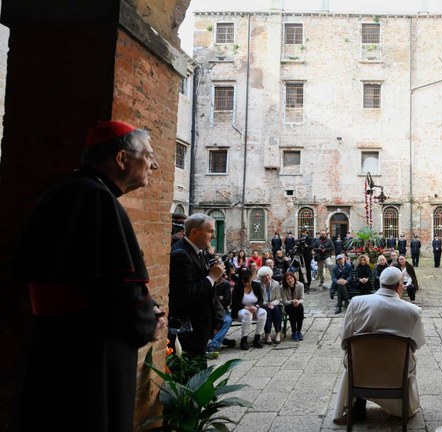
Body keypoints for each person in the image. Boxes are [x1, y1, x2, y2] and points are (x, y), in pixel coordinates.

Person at [12, 120, 166, 432]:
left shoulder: (73, 190)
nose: (154, 165)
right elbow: (115, 288)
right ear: (121, 159)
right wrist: (148, 321)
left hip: (59, 341)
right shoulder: (95, 198)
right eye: (148, 156)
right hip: (89, 352)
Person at [332, 267, 426, 425]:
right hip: (396, 370)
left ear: (380, 283)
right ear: (399, 286)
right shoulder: (413, 311)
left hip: (361, 369)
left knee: (357, 357)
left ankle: (358, 406)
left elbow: (345, 339)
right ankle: (400, 407)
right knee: (407, 358)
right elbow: (418, 343)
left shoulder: (356, 303)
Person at [169, 213, 226, 358]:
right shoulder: (181, 254)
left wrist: (214, 278)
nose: (214, 236)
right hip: (189, 331)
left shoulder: (198, 251)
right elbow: (185, 295)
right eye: (210, 231)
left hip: (201, 328)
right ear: (194, 232)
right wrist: (211, 277)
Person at [231, 267, 267, 349]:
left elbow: (261, 300)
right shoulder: (237, 287)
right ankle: (244, 340)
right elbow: (235, 302)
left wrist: (256, 306)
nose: (247, 283)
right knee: (248, 314)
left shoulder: (256, 285)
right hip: (242, 310)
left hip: (255, 308)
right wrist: (245, 307)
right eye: (245, 282)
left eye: (248, 281)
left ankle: (257, 338)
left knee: (263, 312)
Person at [256, 266, 283, 344]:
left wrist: (272, 303)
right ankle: (267, 334)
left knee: (276, 309)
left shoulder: (276, 283)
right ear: (261, 277)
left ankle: (278, 333)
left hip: (275, 303)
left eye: (268, 275)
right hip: (263, 304)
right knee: (266, 311)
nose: (267, 278)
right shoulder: (258, 285)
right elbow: (259, 299)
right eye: (264, 276)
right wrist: (266, 304)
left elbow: (278, 298)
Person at [281, 271, 305, 341]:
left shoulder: (300, 285)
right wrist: (292, 301)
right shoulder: (282, 287)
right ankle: (294, 332)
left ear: (294, 278)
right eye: (288, 279)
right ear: (285, 281)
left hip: (298, 305)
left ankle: (299, 331)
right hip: (288, 306)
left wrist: (298, 301)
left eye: (291, 278)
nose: (290, 280)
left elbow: (302, 298)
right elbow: (284, 301)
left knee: (300, 307)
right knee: (292, 309)